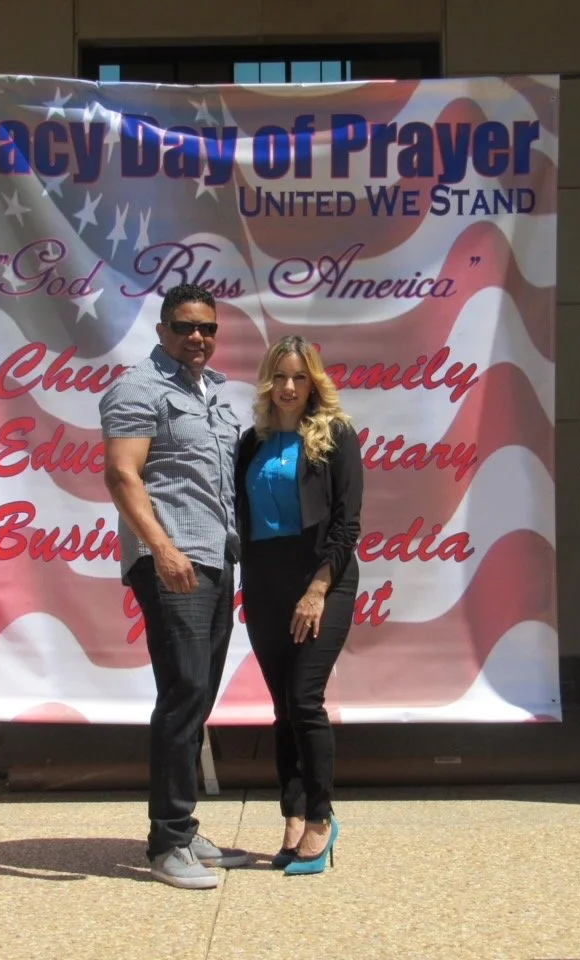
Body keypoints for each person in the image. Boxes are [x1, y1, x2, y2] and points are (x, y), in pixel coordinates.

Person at [99, 283, 249, 890]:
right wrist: (162, 550)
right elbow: (121, 474)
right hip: (172, 558)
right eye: (185, 326)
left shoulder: (211, 393)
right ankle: (166, 844)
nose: (197, 337)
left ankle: (182, 829)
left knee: (199, 694)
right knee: (183, 690)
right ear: (162, 330)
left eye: (207, 328)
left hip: (214, 558)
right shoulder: (139, 388)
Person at [233, 335, 363, 876]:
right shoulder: (250, 441)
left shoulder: (336, 435)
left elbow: (346, 523)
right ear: (268, 381)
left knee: (305, 699)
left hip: (323, 582)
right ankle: (291, 813)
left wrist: (316, 589)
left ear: (314, 382)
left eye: (299, 377)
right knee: (282, 706)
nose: (288, 387)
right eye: (280, 377)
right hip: (265, 584)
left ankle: (321, 817)